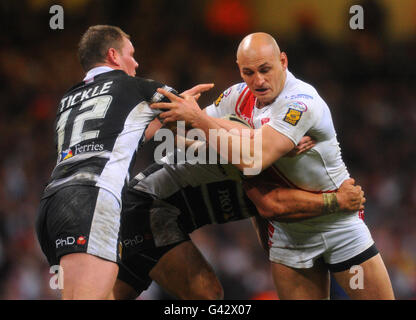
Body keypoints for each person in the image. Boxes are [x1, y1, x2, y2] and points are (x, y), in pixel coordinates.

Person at [151, 32, 395, 299]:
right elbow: (185, 132)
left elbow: (254, 159)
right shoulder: (236, 95)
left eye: (265, 69)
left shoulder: (301, 102)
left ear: (283, 61)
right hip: (288, 235)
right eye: (248, 72)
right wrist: (178, 115)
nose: (258, 80)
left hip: (339, 226)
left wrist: (199, 120)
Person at [35, 25, 211, 300]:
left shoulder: (67, 98)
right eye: (132, 54)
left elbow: (125, 135)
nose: (137, 63)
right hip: (92, 199)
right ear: (114, 55)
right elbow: (187, 114)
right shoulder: (137, 87)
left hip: (51, 206)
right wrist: (192, 109)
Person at [112, 146, 365, 300]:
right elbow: (270, 204)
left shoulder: (278, 176)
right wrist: (336, 202)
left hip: (148, 209)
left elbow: (268, 229)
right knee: (208, 296)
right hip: (149, 205)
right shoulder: (263, 159)